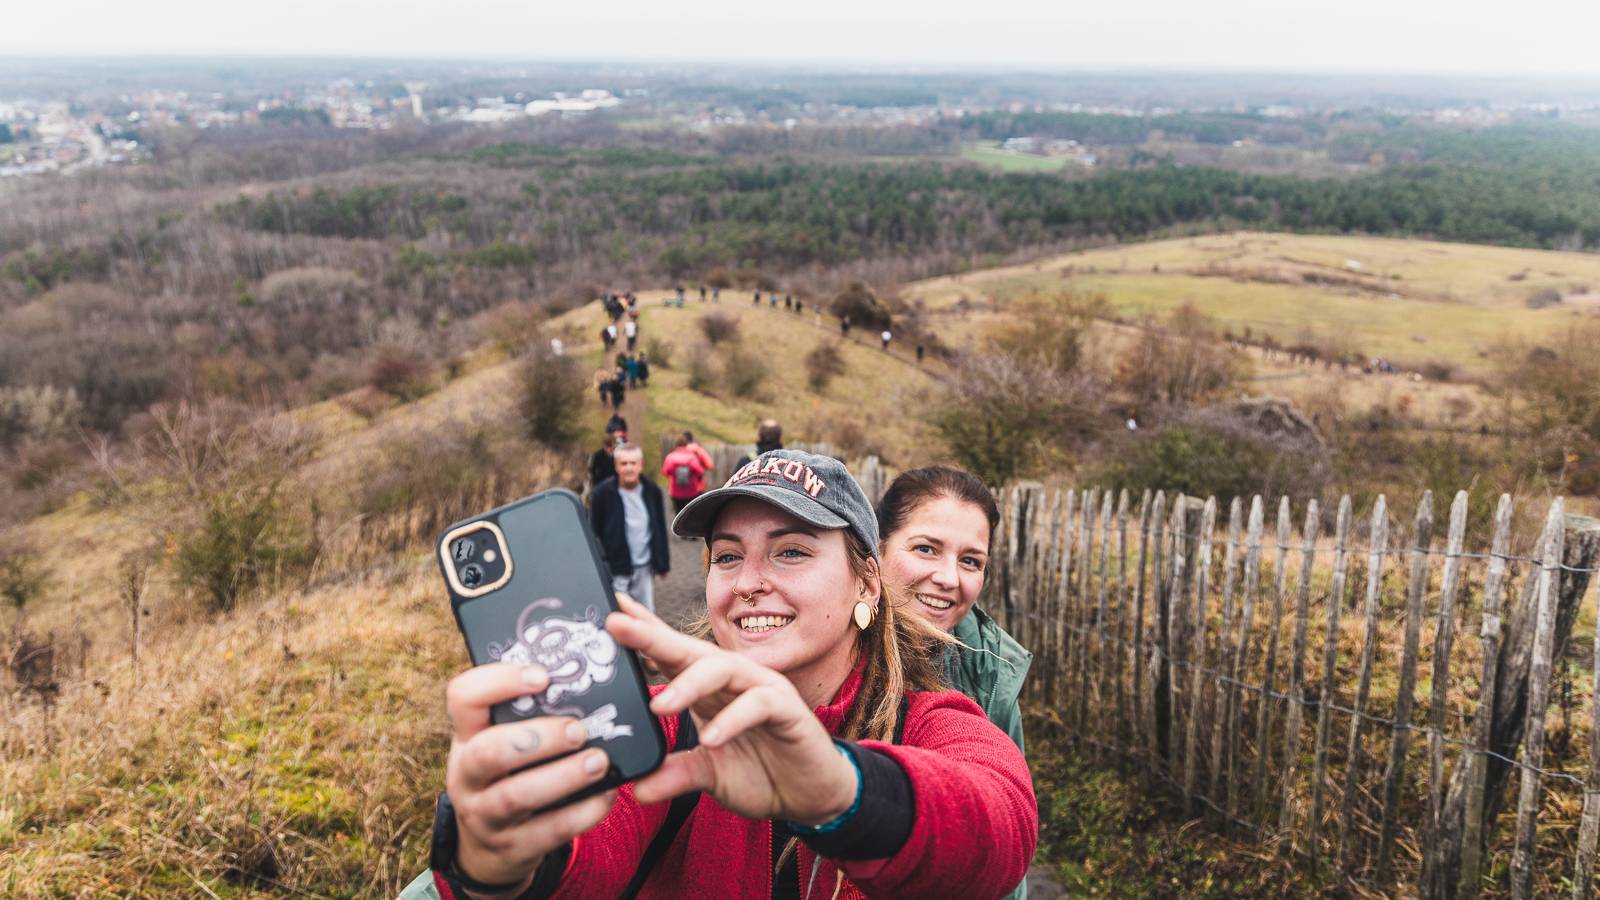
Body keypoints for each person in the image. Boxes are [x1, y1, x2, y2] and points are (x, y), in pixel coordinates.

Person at [406, 450, 1037, 899]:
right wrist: (497, 866)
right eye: (728, 556)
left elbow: (1001, 824)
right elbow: (586, 854)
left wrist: (837, 788)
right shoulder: (664, 726)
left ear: (867, 583)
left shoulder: (931, 721)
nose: (747, 583)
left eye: (791, 551)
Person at [876, 466, 1031, 755]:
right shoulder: (823, 650)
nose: (949, 579)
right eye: (926, 549)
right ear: (879, 549)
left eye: (970, 561)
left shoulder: (990, 672)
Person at [587, 442, 669, 612]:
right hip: (617, 567)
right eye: (624, 463)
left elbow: (659, 526)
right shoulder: (602, 493)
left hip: (644, 567)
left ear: (641, 465)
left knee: (645, 612)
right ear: (616, 466)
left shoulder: (652, 490)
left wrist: (663, 562)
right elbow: (593, 531)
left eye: (633, 463)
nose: (629, 468)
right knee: (618, 613)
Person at [661, 434, 710, 516]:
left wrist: (675, 474)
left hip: (675, 491)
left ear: (676, 445)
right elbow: (699, 471)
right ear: (686, 445)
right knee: (692, 513)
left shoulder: (670, 457)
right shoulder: (692, 457)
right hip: (692, 491)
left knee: (678, 514)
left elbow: (666, 471)